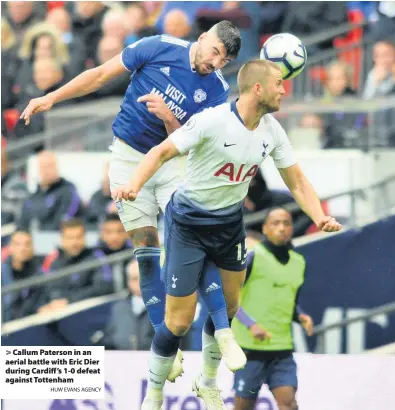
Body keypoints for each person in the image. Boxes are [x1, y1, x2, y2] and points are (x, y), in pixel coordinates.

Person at [112, 59, 342, 410]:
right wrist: (133, 184)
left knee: (232, 306)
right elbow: (161, 152)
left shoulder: (272, 130)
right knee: (178, 321)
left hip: (229, 224)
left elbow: (295, 180)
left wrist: (319, 215)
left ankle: (207, 382)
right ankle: (154, 392)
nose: (285, 89)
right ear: (258, 89)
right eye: (279, 83)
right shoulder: (212, 121)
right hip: (187, 222)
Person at [20, 21, 242, 382]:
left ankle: (224, 331)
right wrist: (51, 97)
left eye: (224, 59)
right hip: (127, 157)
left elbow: (197, 146)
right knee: (146, 249)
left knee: (196, 239)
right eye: (215, 52)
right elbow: (100, 75)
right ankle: (164, 344)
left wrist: (171, 120)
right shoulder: (158, 47)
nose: (216, 63)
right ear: (202, 39)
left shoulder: (217, 90)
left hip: (171, 162)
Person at [233, 208, 313, 410]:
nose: (281, 228)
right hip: (250, 349)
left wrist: (301, 316)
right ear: (265, 229)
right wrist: (251, 325)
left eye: (286, 223)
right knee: (243, 407)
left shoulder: (298, 262)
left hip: (281, 349)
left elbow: (290, 300)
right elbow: (229, 298)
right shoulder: (253, 257)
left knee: (289, 403)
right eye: (275, 223)